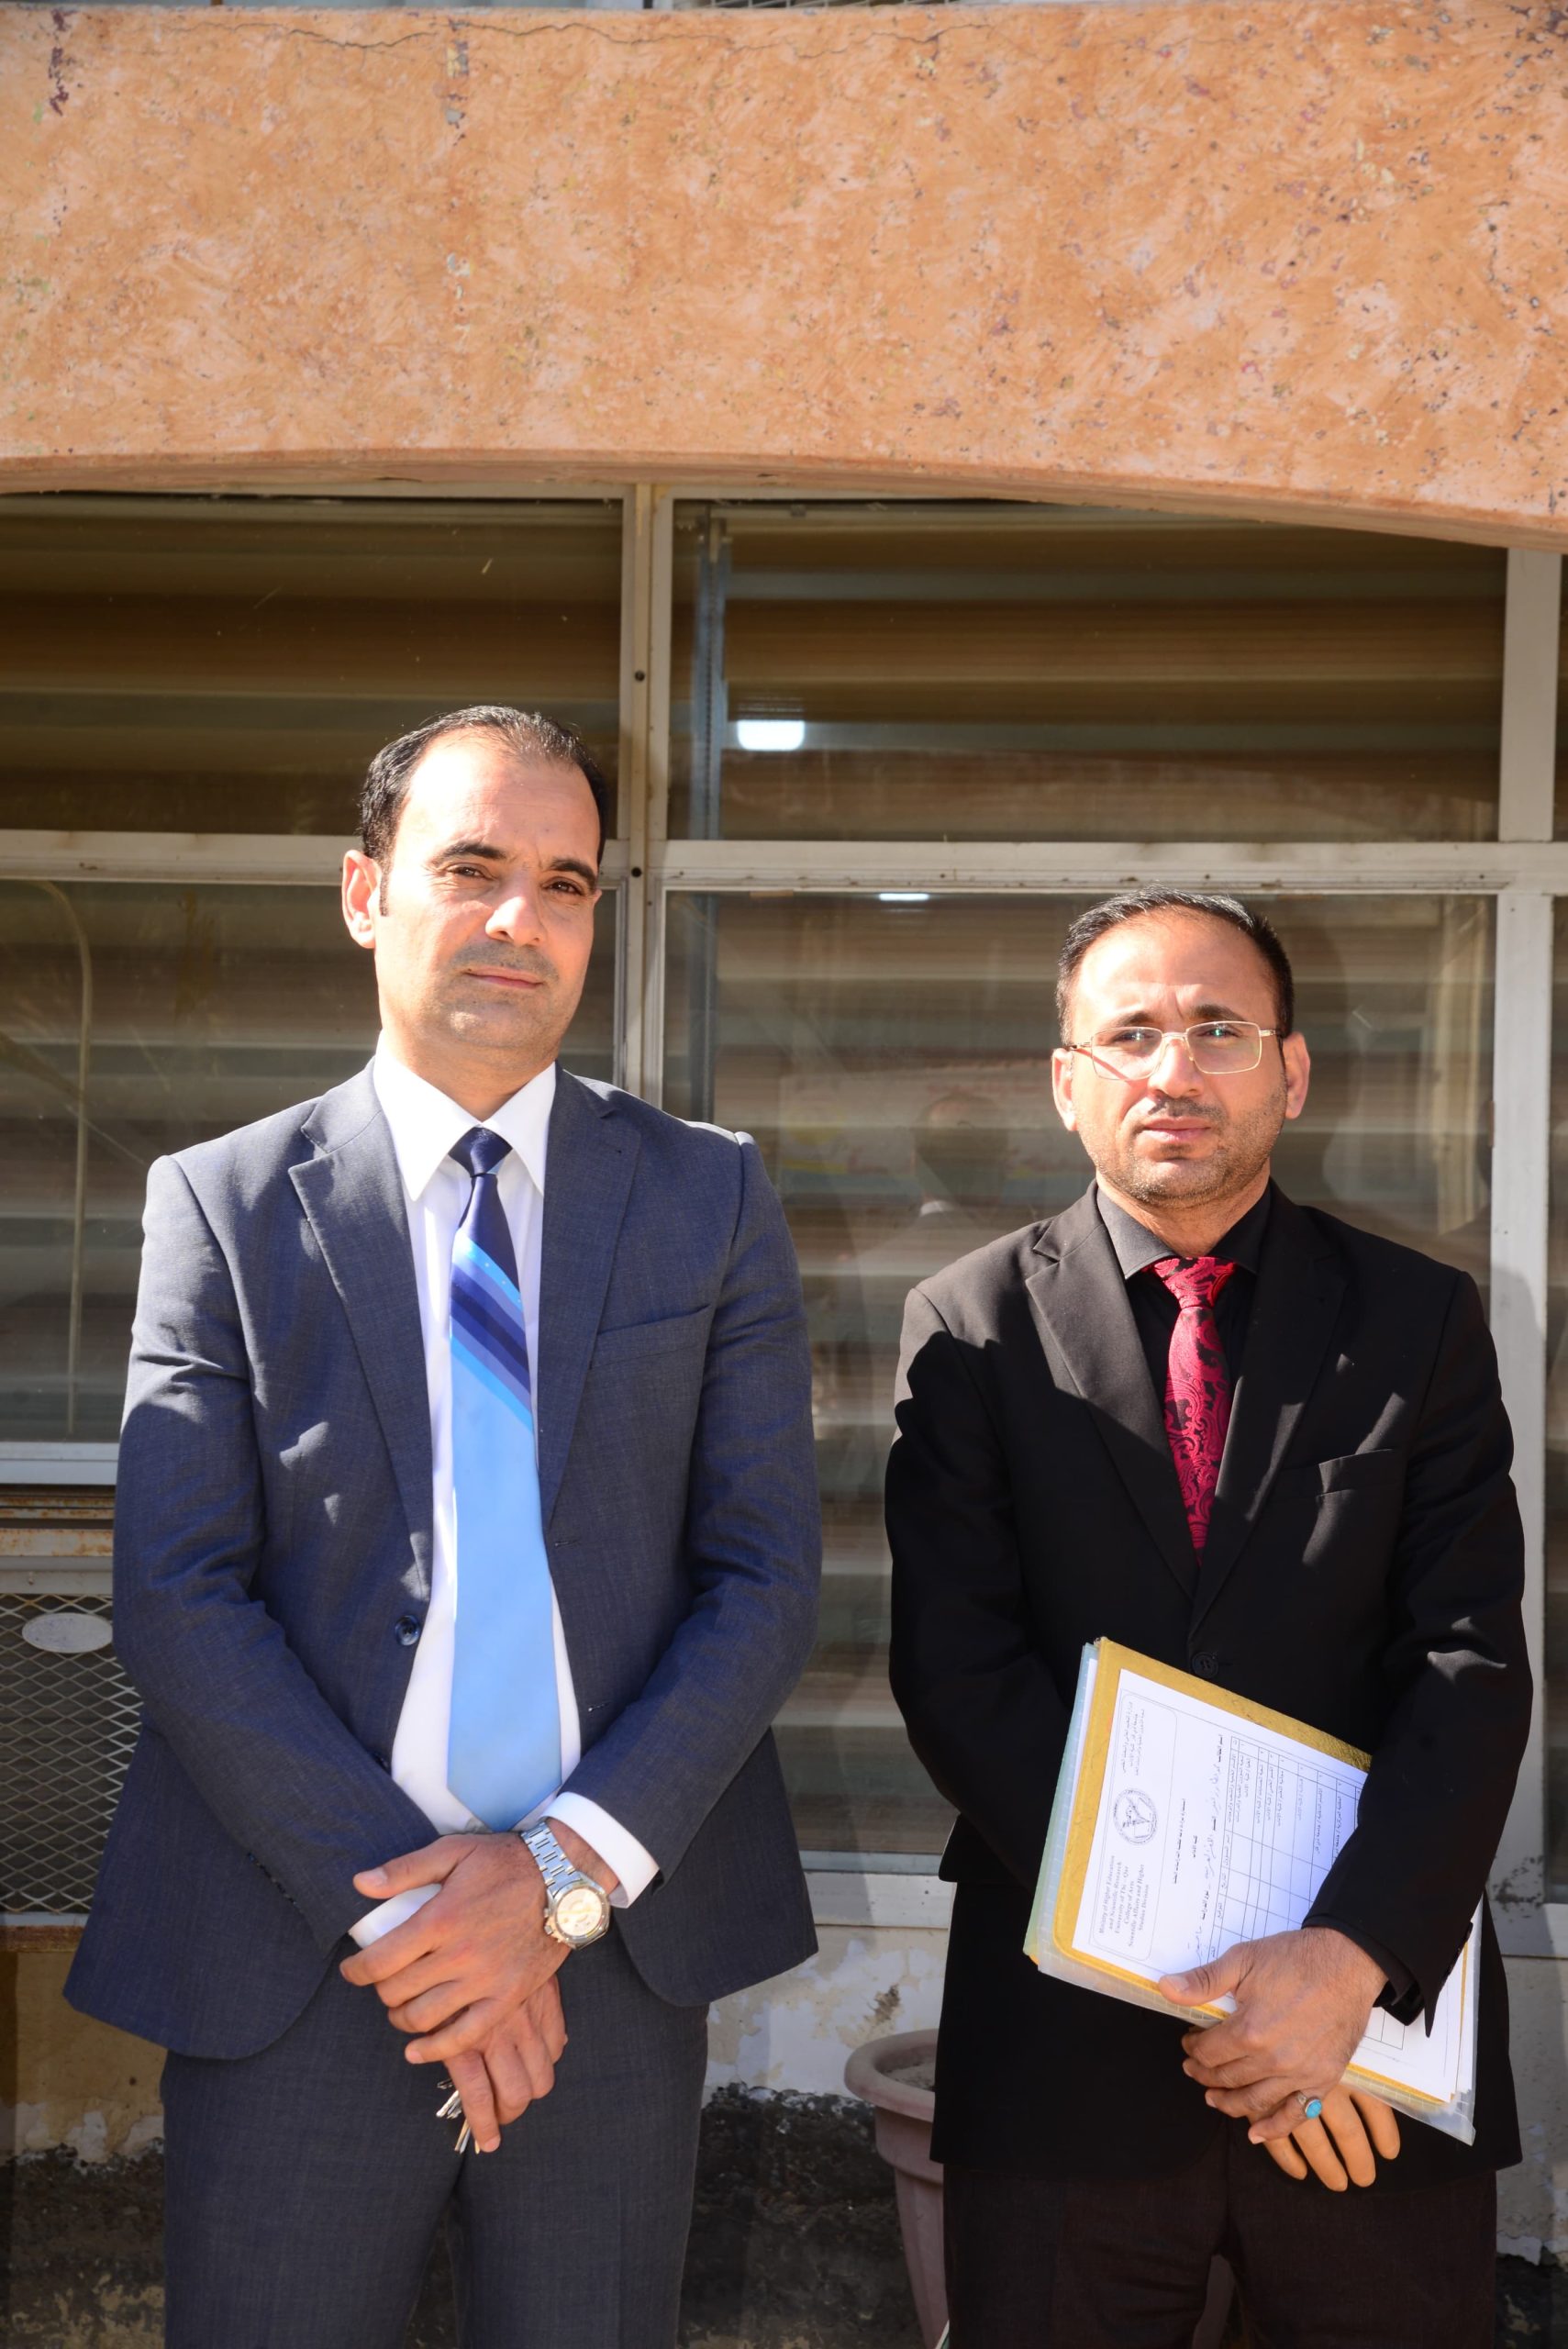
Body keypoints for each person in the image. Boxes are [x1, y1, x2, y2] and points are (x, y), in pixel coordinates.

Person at [66, 706, 822, 2349]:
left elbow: (764, 1579)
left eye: (565, 883)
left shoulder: (706, 1195)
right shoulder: (224, 1202)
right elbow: (178, 1591)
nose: (518, 920)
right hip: (304, 1946)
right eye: (471, 868)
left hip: (604, 1952)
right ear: (365, 894)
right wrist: (425, 1919)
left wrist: (551, 1877)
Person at [885, 888, 1530, 2347]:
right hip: (1066, 2061)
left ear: (1289, 1073)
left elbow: (1467, 1667)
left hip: (1367, 2052)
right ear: (1067, 1083)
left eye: (1217, 1030)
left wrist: (1342, 1969)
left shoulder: (1418, 1320)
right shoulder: (970, 1328)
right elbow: (959, 1677)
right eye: (1128, 1035)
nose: (1170, 1070)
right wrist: (1243, 1999)